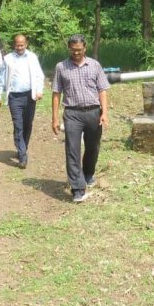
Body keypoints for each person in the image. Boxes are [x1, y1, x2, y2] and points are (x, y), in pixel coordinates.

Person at [51, 34, 110, 203]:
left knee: (93, 147)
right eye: (72, 50)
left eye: (79, 50)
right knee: (72, 150)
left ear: (85, 48)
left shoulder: (95, 65)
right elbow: (56, 93)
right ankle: (77, 189)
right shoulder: (61, 67)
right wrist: (54, 118)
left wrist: (104, 113)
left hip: (93, 112)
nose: (76, 53)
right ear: (69, 49)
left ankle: (88, 173)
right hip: (72, 113)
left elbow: (102, 90)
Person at [0, 34, 45, 169]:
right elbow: (1, 78)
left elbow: (39, 75)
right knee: (18, 125)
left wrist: (39, 90)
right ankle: (22, 155)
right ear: (14, 45)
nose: (20, 47)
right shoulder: (7, 59)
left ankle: (22, 146)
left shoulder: (32, 57)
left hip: (30, 96)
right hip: (14, 97)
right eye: (17, 45)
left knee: (27, 124)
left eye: (22, 45)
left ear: (26, 44)